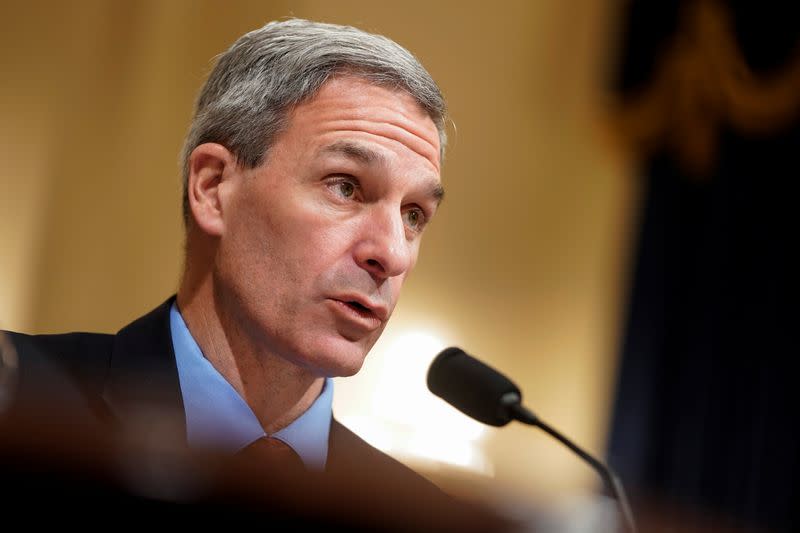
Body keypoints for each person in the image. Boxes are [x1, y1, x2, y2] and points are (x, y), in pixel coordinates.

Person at [1, 17, 515, 530]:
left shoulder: (423, 520)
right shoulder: (20, 406)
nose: (392, 254)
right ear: (212, 186)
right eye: (346, 187)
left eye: (413, 215)